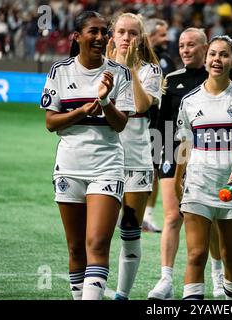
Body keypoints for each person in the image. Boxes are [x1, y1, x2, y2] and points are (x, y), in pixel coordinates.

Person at [40, 11, 134, 300]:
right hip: (69, 167)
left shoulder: (120, 73)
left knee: (97, 242)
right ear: (77, 37)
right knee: (76, 247)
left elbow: (120, 124)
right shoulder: (59, 71)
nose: (100, 37)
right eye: (93, 31)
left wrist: (105, 101)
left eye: (104, 32)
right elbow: (51, 123)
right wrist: (81, 111)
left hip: (107, 166)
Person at [175, 35, 232, 300]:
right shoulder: (189, 101)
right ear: (205, 59)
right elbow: (186, 146)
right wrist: (179, 179)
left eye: (224, 55)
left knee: (230, 257)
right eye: (213, 54)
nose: (217, 60)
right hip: (198, 185)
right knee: (196, 254)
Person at [147, 28, 224, 300]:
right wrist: (158, 160)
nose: (185, 50)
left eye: (191, 45)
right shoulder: (172, 80)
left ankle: (217, 274)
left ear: (205, 48)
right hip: (174, 153)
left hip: (206, 155)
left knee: (209, 220)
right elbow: (161, 125)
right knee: (171, 216)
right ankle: (165, 280)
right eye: (182, 45)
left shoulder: (217, 78)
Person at [106, 12, 163, 300]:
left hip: (138, 161)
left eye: (132, 33)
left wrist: (129, 70)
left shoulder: (151, 71)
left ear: (140, 38)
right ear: (112, 35)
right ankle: (91, 285)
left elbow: (143, 104)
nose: (127, 38)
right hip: (103, 160)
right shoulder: (98, 67)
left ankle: (122, 295)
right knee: (100, 232)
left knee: (129, 231)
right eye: (121, 32)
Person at [142, 18, 177, 232]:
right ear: (150, 35)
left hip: (159, 124)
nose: (166, 39)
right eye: (162, 34)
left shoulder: (165, 59)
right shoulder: (137, 59)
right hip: (136, 121)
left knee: (154, 169)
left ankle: (147, 215)